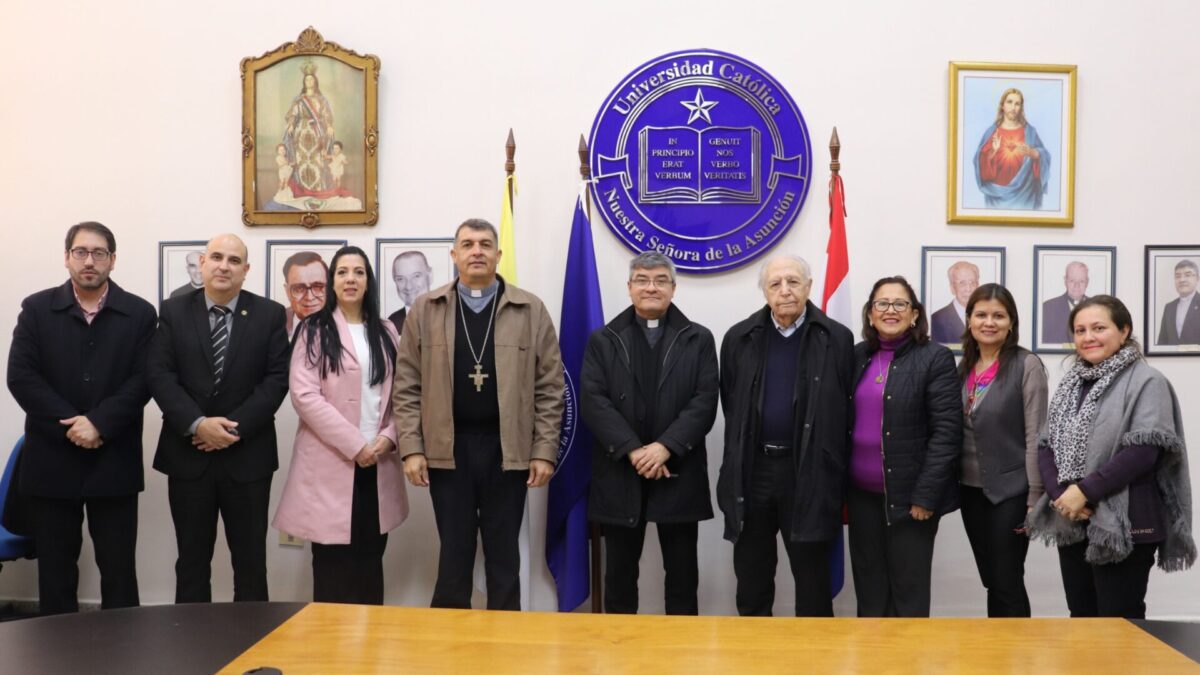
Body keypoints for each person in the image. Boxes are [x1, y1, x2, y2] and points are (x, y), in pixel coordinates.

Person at [393, 218, 563, 610]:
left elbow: (551, 387)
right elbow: (406, 385)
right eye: (467, 244)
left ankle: (504, 650)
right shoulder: (426, 308)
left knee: (505, 556)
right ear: (453, 255)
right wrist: (412, 448)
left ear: (498, 255)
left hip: (509, 450)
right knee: (454, 553)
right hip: (447, 450)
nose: (476, 251)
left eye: (485, 244)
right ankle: (450, 653)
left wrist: (543, 450)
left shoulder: (530, 309)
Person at [6, 221, 156, 615]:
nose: (89, 261)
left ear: (113, 259)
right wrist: (74, 423)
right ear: (67, 257)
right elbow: (21, 377)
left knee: (119, 569)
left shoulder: (140, 313)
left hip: (114, 457)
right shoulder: (37, 309)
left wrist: (100, 423)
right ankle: (59, 658)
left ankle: (122, 654)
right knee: (55, 571)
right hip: (53, 458)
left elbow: (145, 380)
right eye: (81, 252)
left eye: (99, 253)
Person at [1028, 295, 1195, 618]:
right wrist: (1062, 496)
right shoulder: (1070, 385)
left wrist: (1084, 492)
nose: (1088, 337)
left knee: (1120, 623)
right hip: (1073, 520)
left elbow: (1145, 450)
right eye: (1080, 330)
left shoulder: (1148, 381)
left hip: (1126, 520)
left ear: (1124, 330)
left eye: (1098, 327)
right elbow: (1047, 444)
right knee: (1082, 618)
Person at [148, 233, 291, 603]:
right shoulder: (174, 310)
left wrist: (231, 429)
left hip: (247, 458)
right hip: (188, 456)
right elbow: (160, 375)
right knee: (192, 560)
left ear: (246, 270)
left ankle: (254, 641)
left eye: (233, 260)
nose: (224, 266)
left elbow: (276, 380)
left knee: (250, 562)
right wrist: (199, 424)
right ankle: (194, 648)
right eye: (216, 257)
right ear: (202, 264)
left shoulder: (270, 314)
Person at [581, 252, 718, 615]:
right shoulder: (603, 339)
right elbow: (594, 402)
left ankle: (680, 660)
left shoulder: (699, 339)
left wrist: (664, 448)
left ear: (673, 288)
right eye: (642, 279)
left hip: (678, 470)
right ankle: (621, 660)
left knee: (683, 577)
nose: (651, 287)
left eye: (660, 280)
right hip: (620, 471)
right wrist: (633, 451)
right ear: (629, 288)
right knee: (620, 578)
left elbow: (704, 402)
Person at [716, 254, 854, 617]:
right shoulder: (738, 338)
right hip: (754, 470)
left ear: (809, 287)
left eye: (793, 282)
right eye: (775, 284)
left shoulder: (837, 339)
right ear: (765, 291)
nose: (785, 291)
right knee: (753, 577)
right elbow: (733, 405)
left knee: (812, 579)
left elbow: (844, 410)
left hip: (808, 472)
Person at [274, 246, 407, 604]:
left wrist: (387, 438)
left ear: (368, 281)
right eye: (343, 272)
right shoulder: (314, 330)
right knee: (333, 564)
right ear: (332, 281)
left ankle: (369, 648)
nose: (351, 279)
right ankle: (331, 651)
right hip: (333, 461)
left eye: (359, 272)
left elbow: (403, 395)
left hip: (378, 461)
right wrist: (355, 445)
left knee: (370, 558)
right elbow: (305, 396)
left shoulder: (387, 331)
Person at [849, 276, 961, 617]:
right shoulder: (856, 356)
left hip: (911, 501)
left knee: (907, 596)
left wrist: (925, 496)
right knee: (869, 593)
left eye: (900, 304)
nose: (890, 310)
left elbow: (947, 432)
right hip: (860, 498)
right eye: (882, 303)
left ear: (915, 315)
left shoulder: (935, 358)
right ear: (870, 314)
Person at [957, 283, 1047, 617]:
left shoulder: (1027, 365)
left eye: (998, 315)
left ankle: (1014, 658)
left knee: (1006, 578)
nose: (989, 322)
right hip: (970, 491)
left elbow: (1036, 434)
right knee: (992, 578)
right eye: (981, 314)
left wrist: (1034, 496)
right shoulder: (963, 366)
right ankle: (998, 652)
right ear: (969, 320)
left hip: (1012, 492)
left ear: (1011, 322)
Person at [974, 87, 1051, 210]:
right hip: (997, 198)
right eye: (1009, 102)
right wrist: (992, 152)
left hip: (1025, 196)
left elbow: (1044, 155)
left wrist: (1035, 154)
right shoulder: (992, 132)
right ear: (1002, 105)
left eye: (1017, 104)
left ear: (1021, 108)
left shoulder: (1030, 132)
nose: (1013, 107)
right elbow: (980, 165)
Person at [282, 62, 337, 197]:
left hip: (316, 134)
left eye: (311, 79)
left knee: (317, 162)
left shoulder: (321, 100)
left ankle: (317, 192)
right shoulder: (299, 100)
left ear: (315, 81)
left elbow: (326, 114)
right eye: (307, 79)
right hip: (301, 134)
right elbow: (293, 114)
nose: (309, 81)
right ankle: (302, 192)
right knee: (302, 162)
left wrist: (329, 125)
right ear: (304, 82)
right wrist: (290, 124)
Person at [930, 261, 979, 344]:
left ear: (978, 286)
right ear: (952, 288)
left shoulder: (986, 316)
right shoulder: (937, 319)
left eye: (972, 283)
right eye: (962, 283)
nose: (968, 289)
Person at [283, 251, 328, 338]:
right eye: (299, 288)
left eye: (318, 287)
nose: (309, 297)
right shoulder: (273, 323)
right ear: (287, 291)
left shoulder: (344, 322)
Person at [1042, 262, 1089, 345]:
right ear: (1065, 281)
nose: (1076, 285)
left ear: (1087, 282)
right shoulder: (1048, 308)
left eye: (1081, 281)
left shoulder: (1098, 308)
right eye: (1072, 281)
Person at [1157, 259, 1200, 345]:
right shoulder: (1169, 307)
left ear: (1197, 279)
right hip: (1170, 358)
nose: (1182, 280)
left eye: (1187, 275)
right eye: (1178, 276)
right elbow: (1162, 341)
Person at [388, 250, 432, 333]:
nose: (409, 286)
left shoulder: (447, 316)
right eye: (400, 279)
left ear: (430, 276)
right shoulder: (391, 323)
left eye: (416, 276)